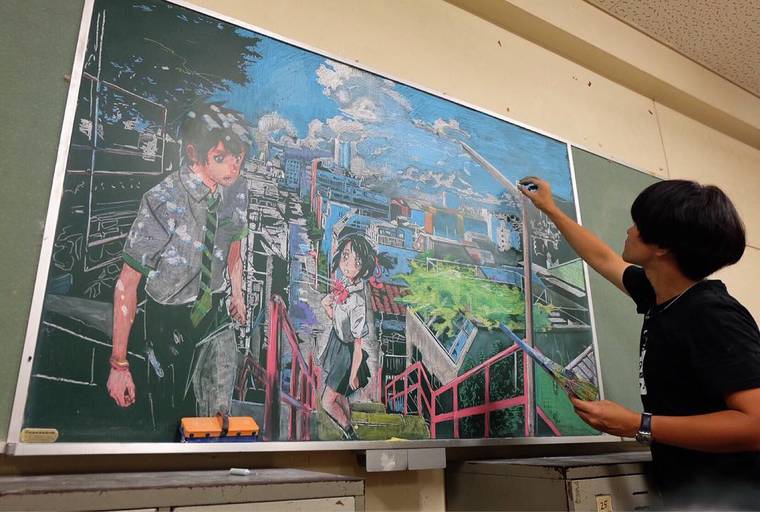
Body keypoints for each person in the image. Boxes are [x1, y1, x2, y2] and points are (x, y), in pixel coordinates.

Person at [520, 176, 760, 509]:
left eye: (638, 225)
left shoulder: (712, 315)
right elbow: (603, 258)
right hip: (690, 494)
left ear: (662, 247)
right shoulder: (661, 294)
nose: (629, 230)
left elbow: (755, 424)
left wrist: (639, 424)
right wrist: (550, 209)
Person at [107, 103, 252, 435]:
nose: (233, 166)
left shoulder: (237, 189)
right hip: (169, 317)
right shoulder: (162, 200)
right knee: (170, 418)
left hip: (215, 311)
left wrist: (237, 294)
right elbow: (128, 282)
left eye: (239, 157)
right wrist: (119, 364)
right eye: (221, 157)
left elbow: (233, 247)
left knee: (218, 414)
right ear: (193, 154)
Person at [319, 233, 389, 440]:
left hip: (347, 353)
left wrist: (354, 373)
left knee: (327, 402)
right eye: (346, 256)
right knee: (340, 396)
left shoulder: (357, 300)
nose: (348, 265)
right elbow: (338, 321)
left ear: (364, 268)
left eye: (356, 262)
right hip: (337, 342)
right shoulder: (345, 284)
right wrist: (327, 306)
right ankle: (349, 432)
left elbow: (358, 343)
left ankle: (349, 432)